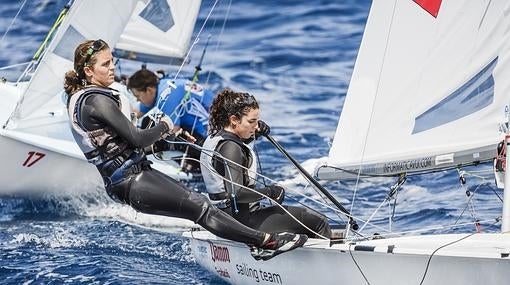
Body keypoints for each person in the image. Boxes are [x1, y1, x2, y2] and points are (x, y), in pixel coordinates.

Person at [63, 39, 307, 261]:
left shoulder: (88, 97)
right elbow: (137, 139)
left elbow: (129, 144)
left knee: (200, 203)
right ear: (88, 71)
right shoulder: (95, 100)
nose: (113, 67)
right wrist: (165, 124)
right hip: (130, 181)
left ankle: (253, 239)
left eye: (113, 61)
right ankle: (267, 242)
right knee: (200, 207)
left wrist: (169, 140)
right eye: (106, 64)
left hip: (135, 176)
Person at [200, 88, 332, 239]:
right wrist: (271, 192)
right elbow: (235, 194)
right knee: (319, 222)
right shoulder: (231, 148)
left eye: (257, 121)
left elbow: (233, 148)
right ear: (234, 120)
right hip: (242, 222)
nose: (256, 126)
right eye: (251, 121)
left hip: (223, 219)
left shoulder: (215, 138)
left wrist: (253, 133)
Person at [127, 69, 213, 171]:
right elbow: (135, 114)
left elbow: (173, 132)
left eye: (137, 96)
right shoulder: (162, 86)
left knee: (161, 134)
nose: (137, 100)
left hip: (207, 140)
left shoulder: (168, 95)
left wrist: (142, 148)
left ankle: (192, 166)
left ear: (149, 90)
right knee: (148, 122)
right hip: (199, 126)